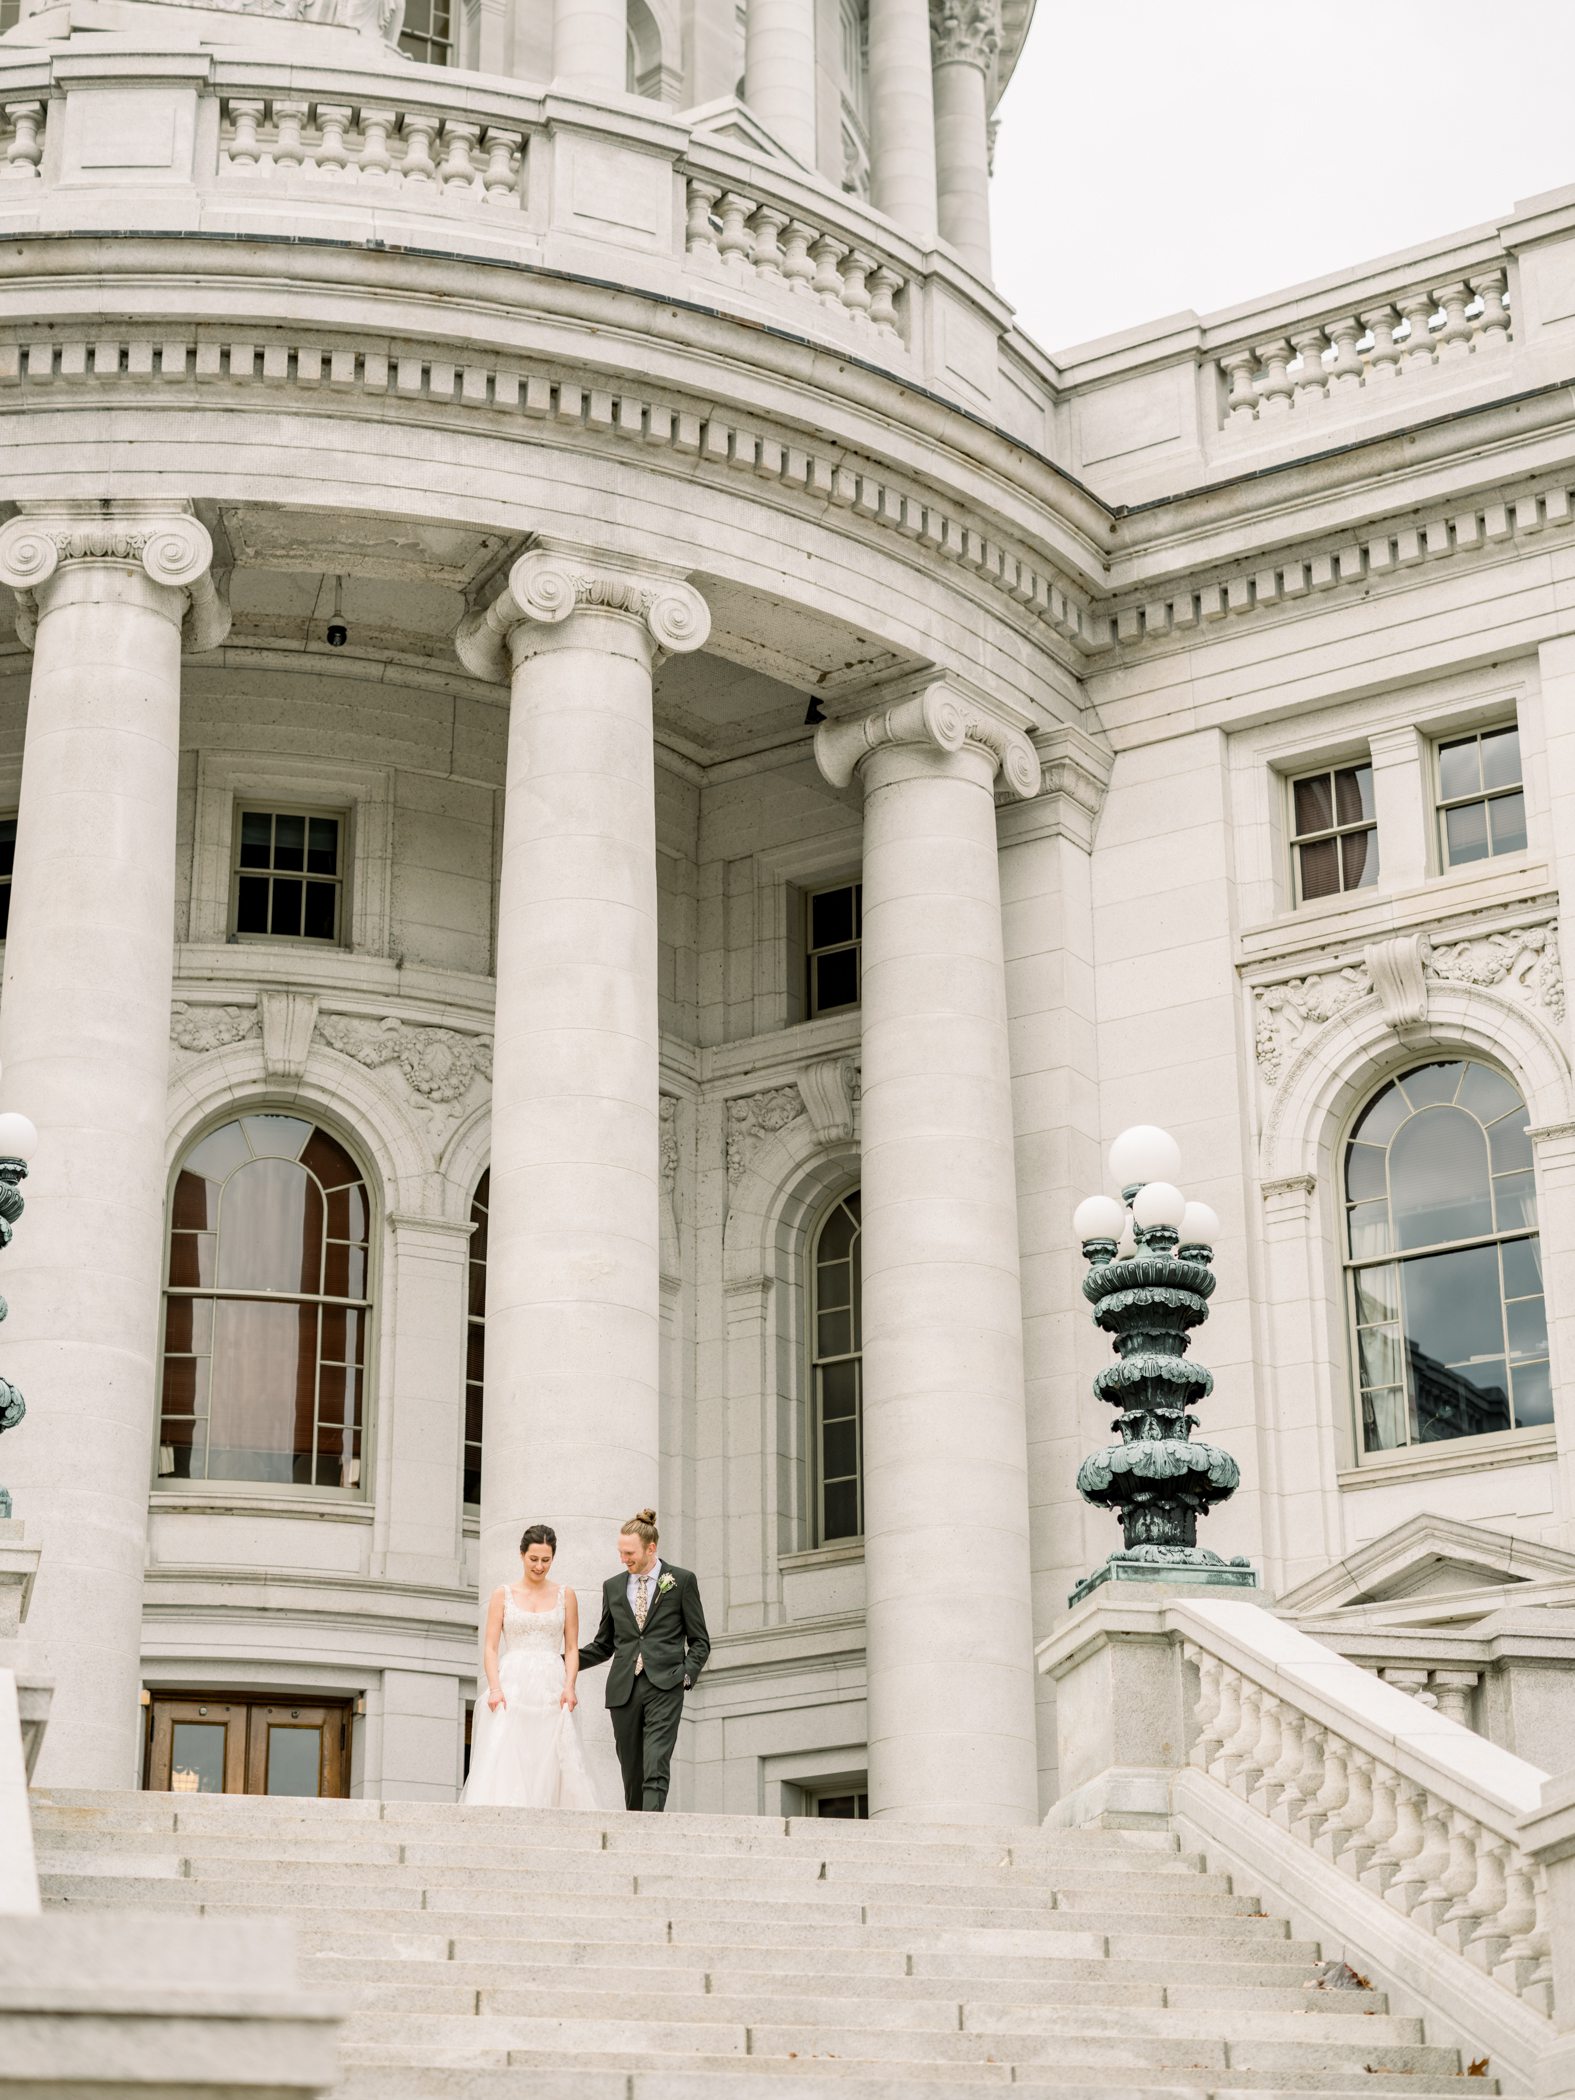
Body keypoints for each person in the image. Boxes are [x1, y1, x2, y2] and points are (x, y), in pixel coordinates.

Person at [577, 1509, 710, 1813]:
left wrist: (686, 1674)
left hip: (666, 1684)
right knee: (632, 1769)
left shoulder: (682, 1580)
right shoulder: (612, 1587)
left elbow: (700, 1641)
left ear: (651, 1549)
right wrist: (563, 1660)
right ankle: (634, 1827)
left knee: (655, 1761)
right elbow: (603, 1644)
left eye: (629, 1553)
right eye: (621, 1552)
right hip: (624, 1688)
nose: (624, 1559)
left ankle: (651, 1827)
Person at [461, 1522, 600, 1810]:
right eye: (533, 1559)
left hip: (552, 1682)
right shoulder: (502, 1594)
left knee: (551, 1754)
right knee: (512, 1751)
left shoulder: (566, 1595)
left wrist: (570, 1686)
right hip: (513, 1681)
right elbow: (490, 1646)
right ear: (522, 1555)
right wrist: (495, 1688)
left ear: (553, 1558)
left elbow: (572, 1647)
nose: (539, 1566)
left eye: (546, 1560)